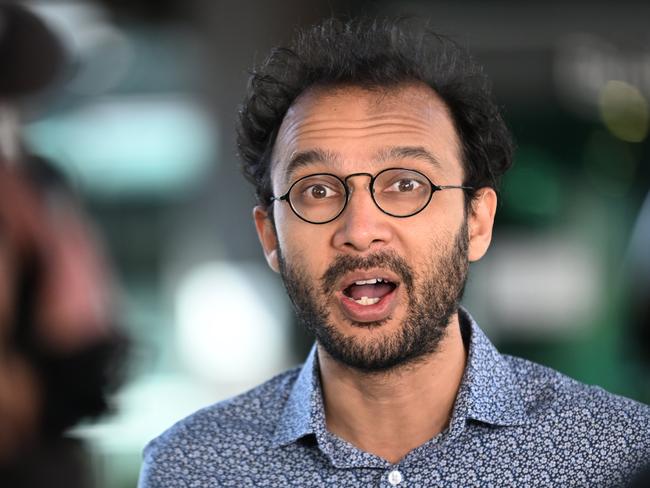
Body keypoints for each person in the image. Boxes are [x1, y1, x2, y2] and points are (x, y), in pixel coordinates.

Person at [139, 18, 650, 487]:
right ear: (271, 236)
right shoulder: (191, 466)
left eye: (406, 184)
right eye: (317, 190)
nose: (360, 230)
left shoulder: (618, 455)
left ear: (477, 221)